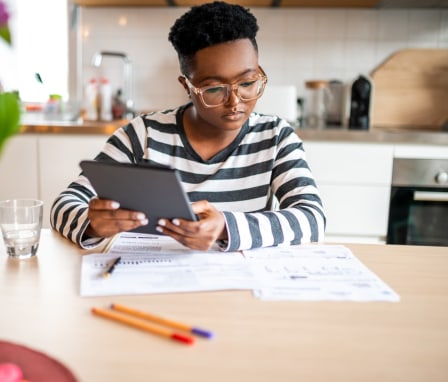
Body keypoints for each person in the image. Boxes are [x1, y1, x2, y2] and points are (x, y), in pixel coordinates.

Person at [51, 1, 326, 252]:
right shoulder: (144, 135)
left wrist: (225, 227)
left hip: (241, 292)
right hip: (156, 286)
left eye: (247, 83)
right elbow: (63, 205)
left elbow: (312, 218)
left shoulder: (275, 137)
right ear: (187, 86)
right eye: (215, 89)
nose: (235, 102)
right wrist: (93, 224)